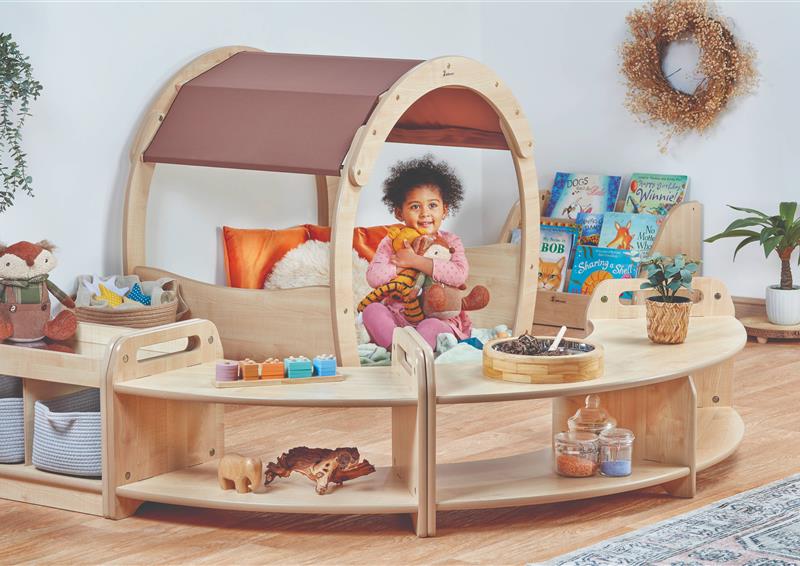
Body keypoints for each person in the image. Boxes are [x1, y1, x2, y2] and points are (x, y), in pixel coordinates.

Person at [362, 155, 472, 349]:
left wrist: (414, 261)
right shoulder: (392, 241)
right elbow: (373, 277)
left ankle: (413, 356)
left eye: (432, 205)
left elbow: (459, 275)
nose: (425, 213)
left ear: (444, 210)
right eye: (415, 206)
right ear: (399, 212)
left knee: (430, 326)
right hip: (400, 318)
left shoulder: (451, 241)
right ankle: (397, 351)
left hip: (438, 318)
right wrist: (399, 266)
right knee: (372, 310)